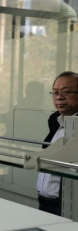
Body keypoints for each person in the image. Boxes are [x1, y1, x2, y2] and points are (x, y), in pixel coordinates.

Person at [37, 72, 78, 216]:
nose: (59, 97)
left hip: (70, 206)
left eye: (66, 92)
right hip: (45, 202)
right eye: (55, 92)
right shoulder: (55, 120)